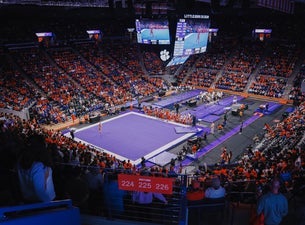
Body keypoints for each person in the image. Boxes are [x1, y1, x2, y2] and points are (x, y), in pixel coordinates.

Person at [17, 134, 56, 203]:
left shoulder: (21, 161)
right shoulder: (38, 166)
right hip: (44, 203)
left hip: (28, 200)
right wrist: (50, 205)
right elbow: (40, 191)